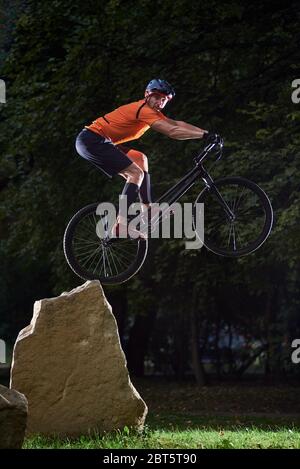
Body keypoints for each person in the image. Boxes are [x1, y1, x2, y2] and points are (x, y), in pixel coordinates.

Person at [75, 79, 208, 238]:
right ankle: (121, 225)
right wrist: (202, 136)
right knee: (135, 174)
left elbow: (177, 123)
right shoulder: (144, 110)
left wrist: (206, 133)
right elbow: (173, 132)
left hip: (100, 141)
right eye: (157, 97)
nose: (160, 102)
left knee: (140, 158)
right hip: (92, 140)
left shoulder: (153, 113)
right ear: (147, 95)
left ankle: (148, 208)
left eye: (164, 100)